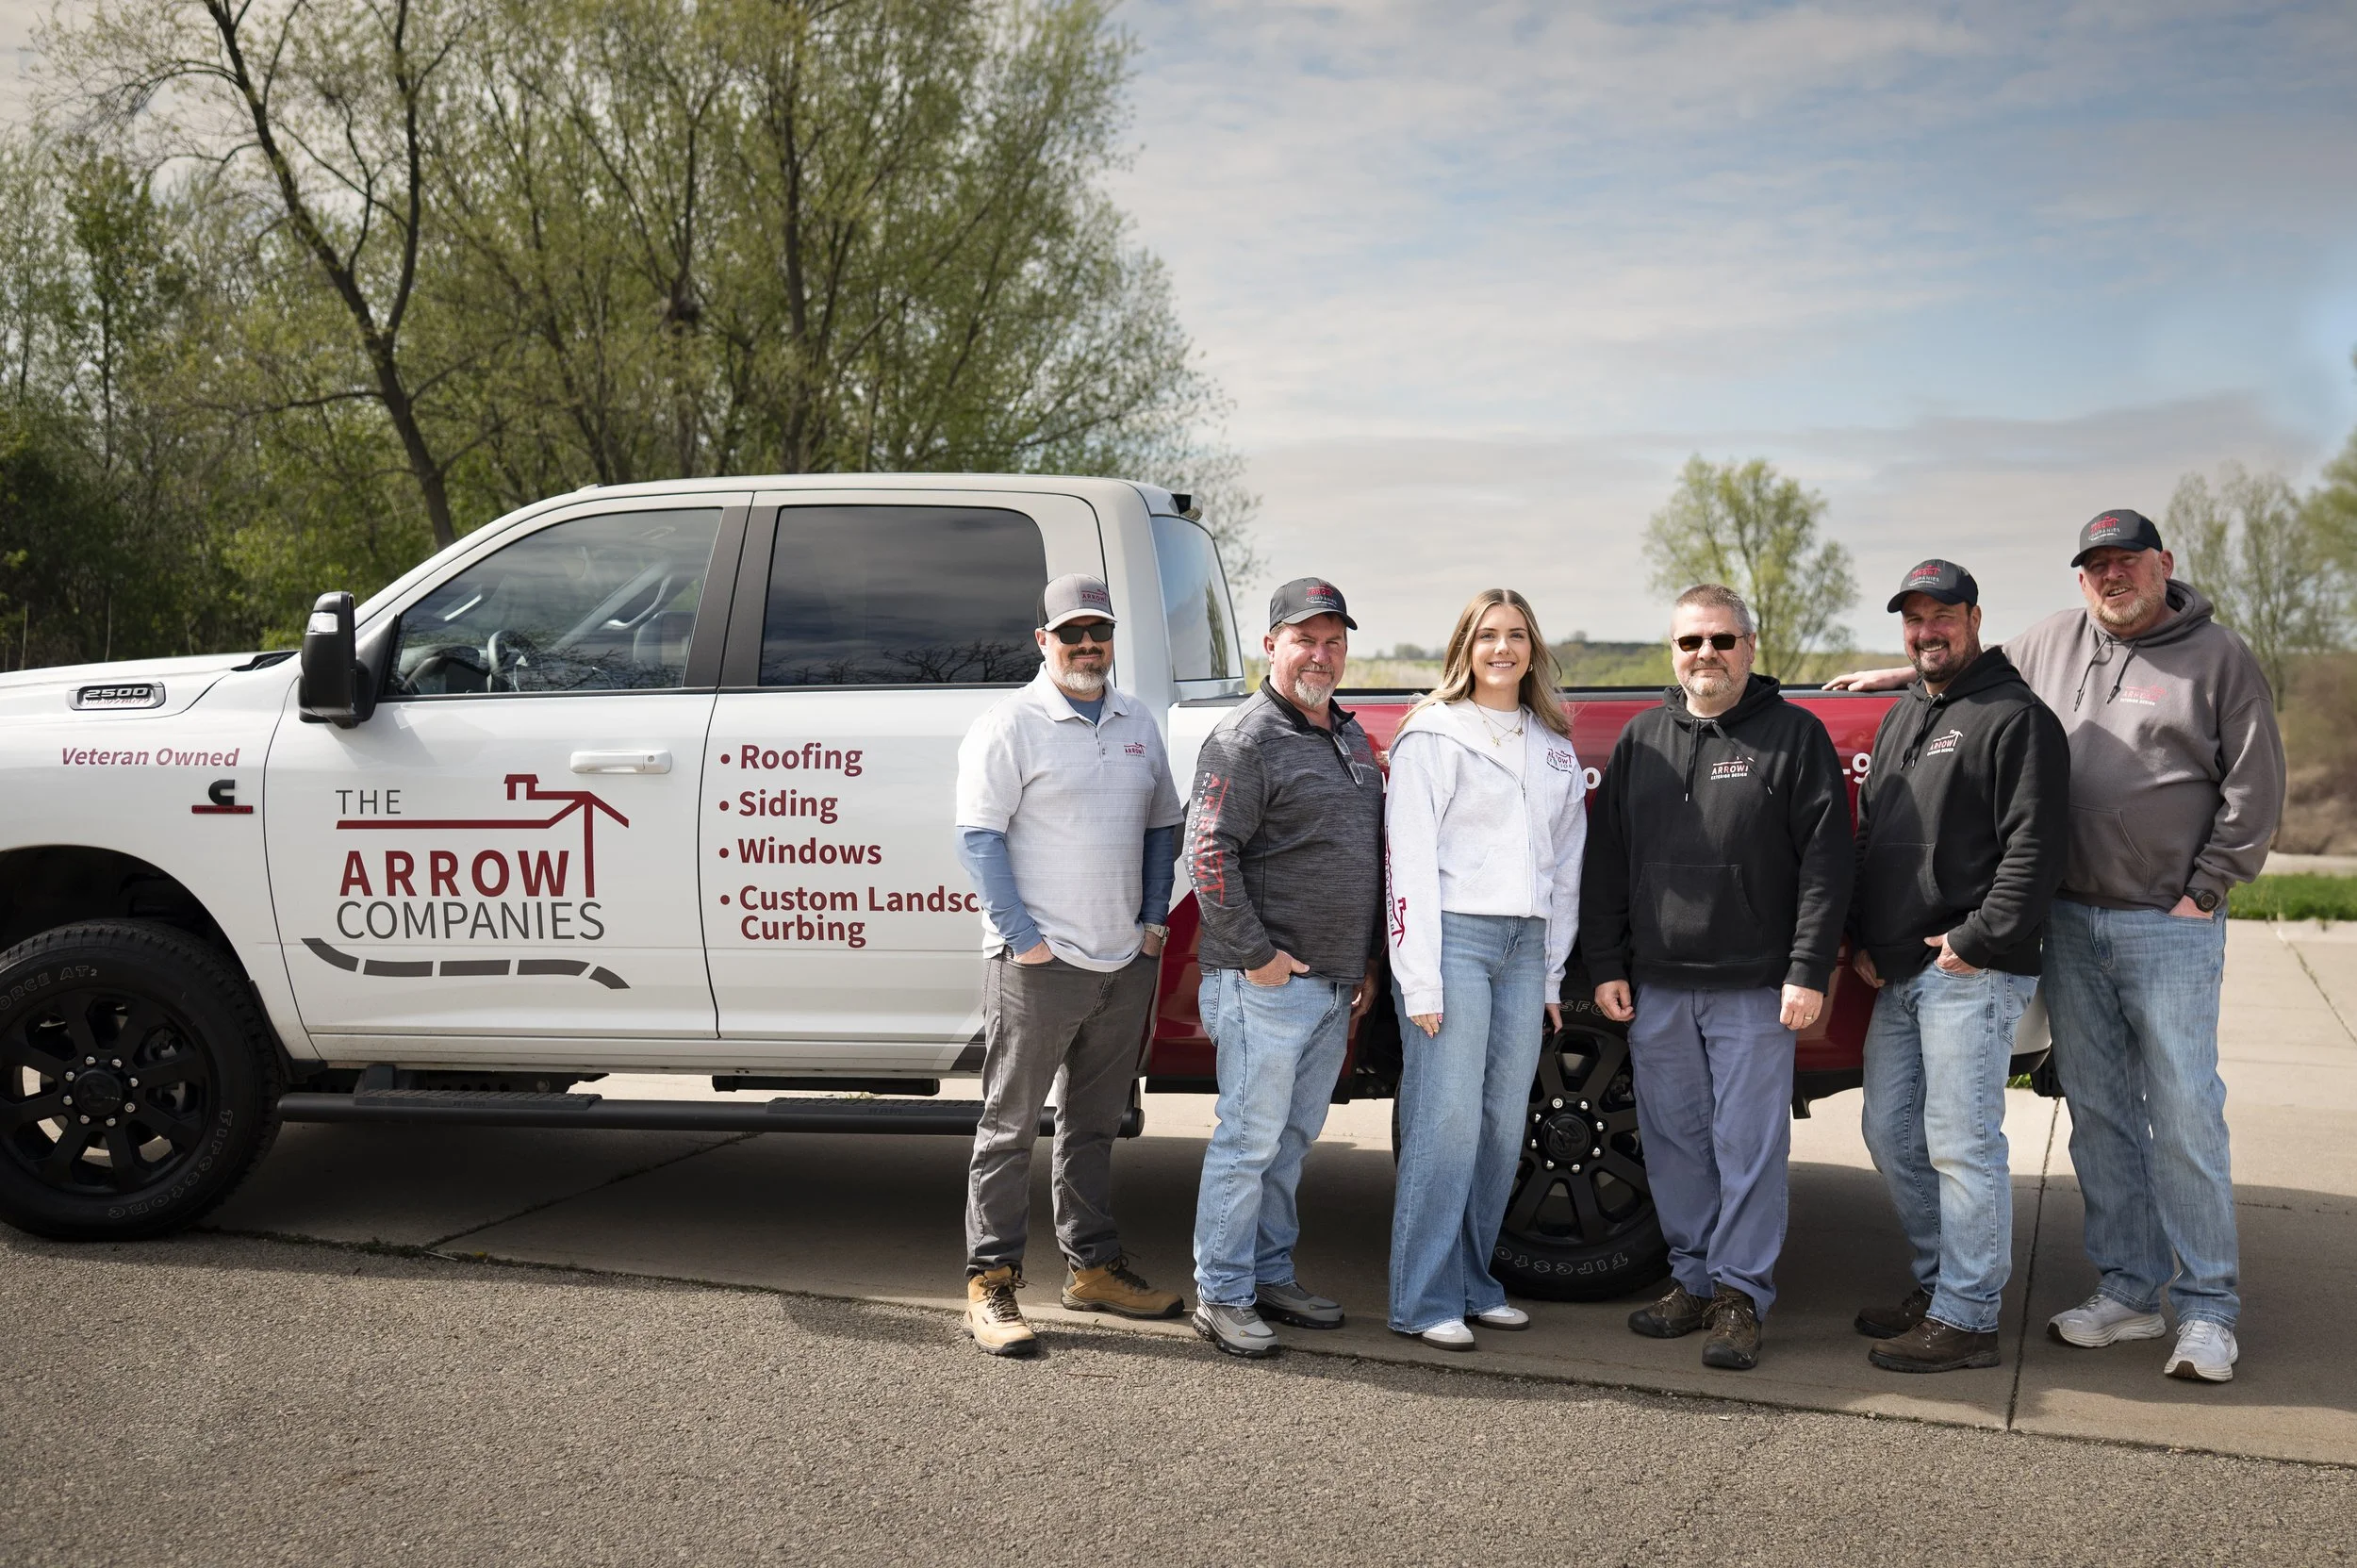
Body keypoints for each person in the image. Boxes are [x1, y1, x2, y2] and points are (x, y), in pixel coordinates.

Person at [1829, 510, 2284, 1382]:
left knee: (2186, 1111)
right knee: (2102, 1112)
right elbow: (1962, 668)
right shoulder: (2056, 640)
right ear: (2079, 580)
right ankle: (2127, 1289)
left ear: (2164, 565)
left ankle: (2208, 1309)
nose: (2112, 578)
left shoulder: (2218, 657)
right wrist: (1891, 676)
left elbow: (2255, 782)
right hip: (2071, 918)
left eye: (2128, 563)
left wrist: (2207, 887)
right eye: (2096, 566)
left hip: (2166, 920)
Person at [1580, 584, 1852, 1372]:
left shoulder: (1794, 738)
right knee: (1672, 1141)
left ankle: (1741, 1295)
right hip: (1658, 985)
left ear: (1750, 647)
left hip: (1756, 988)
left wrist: (1807, 971)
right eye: (1692, 641)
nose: (1707, 655)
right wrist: (1606, 964)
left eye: (1722, 641)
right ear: (1672, 649)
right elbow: (1607, 864)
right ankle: (1693, 1279)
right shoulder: (1642, 739)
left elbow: (1827, 869)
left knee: (1748, 1146)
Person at [950, 572, 1188, 1358]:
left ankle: (1091, 1268)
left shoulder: (1136, 720)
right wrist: (1023, 938)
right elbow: (979, 837)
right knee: (1010, 1126)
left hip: (1125, 960)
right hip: (1040, 964)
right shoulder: (1010, 723)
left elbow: (1164, 826)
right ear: (1043, 640)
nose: (1089, 645)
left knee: (1092, 1125)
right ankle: (991, 1282)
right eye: (1072, 632)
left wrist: (1154, 922)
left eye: (1100, 632)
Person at [1847, 559, 2069, 1374]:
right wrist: (1867, 937)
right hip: (1903, 969)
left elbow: (2036, 851)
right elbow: (1874, 836)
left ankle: (1969, 1318)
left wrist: (1976, 941)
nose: (1925, 631)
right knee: (1890, 1128)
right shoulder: (1907, 712)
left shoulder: (2017, 718)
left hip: (1971, 970)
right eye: (1912, 619)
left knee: (1961, 1140)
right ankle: (1942, 1287)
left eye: (1941, 616)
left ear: (1973, 618)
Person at [1183, 577, 1387, 1359]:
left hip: (1333, 986)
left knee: (1291, 1141)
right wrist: (1260, 958)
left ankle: (1269, 1273)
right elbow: (1208, 852)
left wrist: (1363, 961)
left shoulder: (1346, 736)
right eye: (1305, 638)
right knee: (1249, 1140)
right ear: (1271, 645)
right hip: (1265, 985)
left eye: (1334, 640)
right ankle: (1222, 1292)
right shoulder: (1244, 737)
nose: (1321, 653)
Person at [1383, 589, 1588, 1350]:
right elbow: (1408, 865)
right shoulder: (1432, 735)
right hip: (1455, 943)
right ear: (1465, 647)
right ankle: (1422, 1296)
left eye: (1517, 635)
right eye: (1487, 635)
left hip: (1523, 950)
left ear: (1533, 648)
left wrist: (1550, 973)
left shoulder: (1554, 744)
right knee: (1446, 1122)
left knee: (1503, 1127)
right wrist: (1421, 977)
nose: (1502, 649)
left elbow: (1566, 866)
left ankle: (1475, 1284)